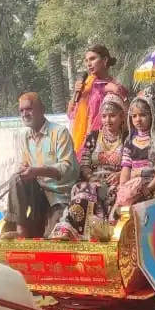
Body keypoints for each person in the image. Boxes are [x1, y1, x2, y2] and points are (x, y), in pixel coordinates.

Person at [4, 92, 80, 239]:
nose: (25, 114)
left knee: (50, 238)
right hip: (37, 193)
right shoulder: (22, 136)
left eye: (29, 109)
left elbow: (67, 168)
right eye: (21, 110)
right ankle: (20, 228)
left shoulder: (59, 132)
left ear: (42, 110)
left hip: (59, 195)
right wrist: (24, 169)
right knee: (17, 178)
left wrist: (38, 171)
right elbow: (23, 164)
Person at [56, 92, 127, 238]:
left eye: (112, 115)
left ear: (121, 117)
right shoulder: (94, 137)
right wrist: (91, 177)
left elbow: (131, 164)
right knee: (82, 189)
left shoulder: (128, 138)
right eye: (104, 116)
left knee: (113, 194)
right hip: (94, 180)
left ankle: (103, 231)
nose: (107, 120)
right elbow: (85, 164)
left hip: (118, 181)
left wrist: (120, 175)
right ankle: (69, 231)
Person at [68, 44, 129, 153]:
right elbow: (71, 114)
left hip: (105, 143)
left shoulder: (114, 86)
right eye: (86, 61)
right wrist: (75, 94)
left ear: (105, 60)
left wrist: (117, 92)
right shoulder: (85, 85)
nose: (88, 64)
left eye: (92, 59)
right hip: (83, 141)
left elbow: (128, 115)